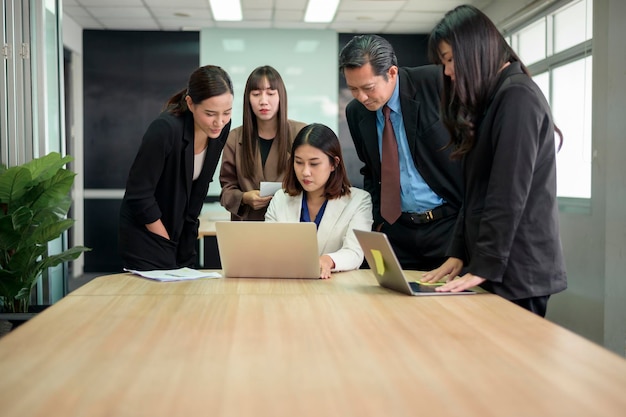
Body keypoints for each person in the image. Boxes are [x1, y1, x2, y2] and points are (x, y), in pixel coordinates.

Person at [421, 5, 567, 317]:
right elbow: (476, 193)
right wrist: (459, 252)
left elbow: (507, 191)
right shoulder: (495, 98)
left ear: (474, 50)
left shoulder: (517, 97)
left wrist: (484, 263)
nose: (446, 72)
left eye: (449, 59)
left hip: (516, 271)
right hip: (493, 266)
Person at [339, 34, 463, 271]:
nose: (361, 97)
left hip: (448, 226)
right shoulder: (357, 112)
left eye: (368, 88)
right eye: (353, 89)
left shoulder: (437, 84)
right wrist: (378, 222)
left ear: (392, 73)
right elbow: (371, 170)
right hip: (397, 231)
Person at [119, 65, 233, 270]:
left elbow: (200, 187)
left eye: (226, 112)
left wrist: (184, 239)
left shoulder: (220, 130)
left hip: (181, 233)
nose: (219, 121)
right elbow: (139, 195)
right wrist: (165, 241)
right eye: (210, 113)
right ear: (190, 103)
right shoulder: (165, 129)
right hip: (148, 231)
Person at [265, 123, 373, 279]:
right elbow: (268, 248)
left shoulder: (359, 201)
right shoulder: (281, 198)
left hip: (335, 291)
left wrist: (328, 260)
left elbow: (354, 252)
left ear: (334, 164)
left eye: (314, 164)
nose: (305, 172)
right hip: (288, 288)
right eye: (299, 162)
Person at [220, 65, 306, 221]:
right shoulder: (234, 138)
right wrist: (244, 197)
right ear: (248, 98)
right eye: (256, 94)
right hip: (248, 227)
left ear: (281, 96)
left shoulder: (301, 133)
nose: (263, 101)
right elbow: (226, 190)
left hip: (289, 224)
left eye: (271, 93)